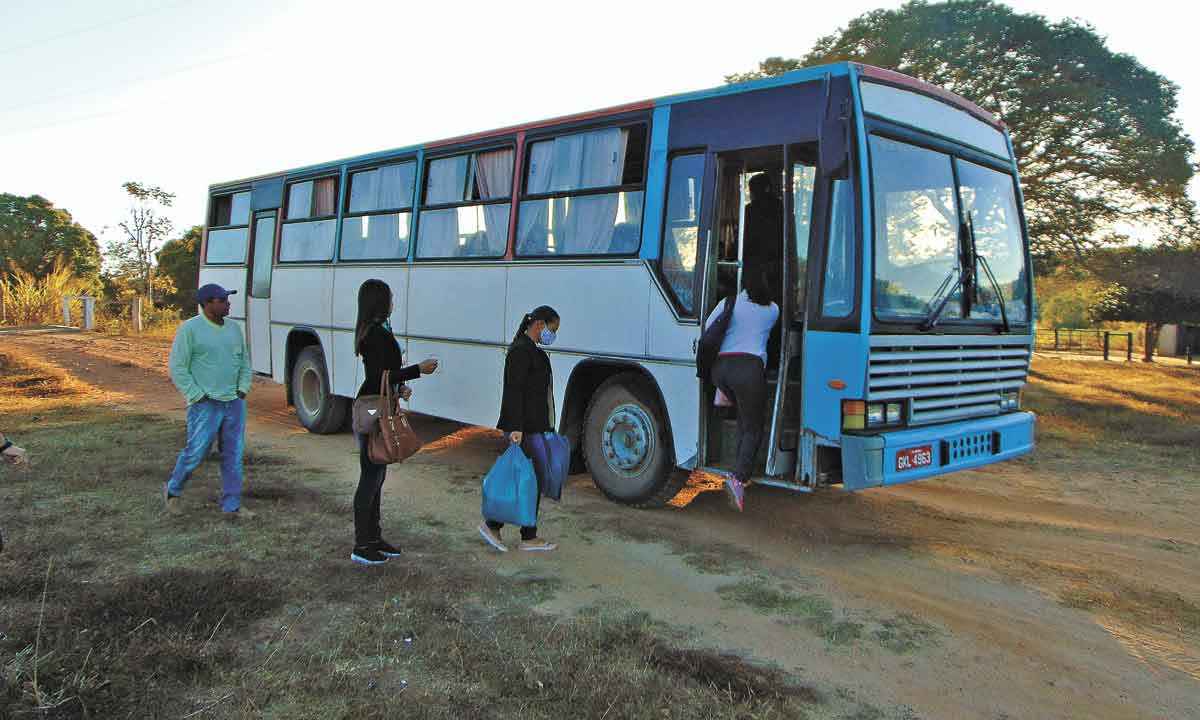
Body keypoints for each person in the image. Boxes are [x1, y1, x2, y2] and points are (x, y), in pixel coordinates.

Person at [351, 279, 438, 566]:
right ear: (380, 302)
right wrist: (417, 371)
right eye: (389, 297)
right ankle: (362, 545)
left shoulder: (378, 330)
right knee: (370, 477)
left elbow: (386, 374)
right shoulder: (374, 334)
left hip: (381, 403)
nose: (393, 302)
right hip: (373, 411)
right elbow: (378, 376)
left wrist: (399, 389)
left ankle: (374, 538)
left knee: (377, 475)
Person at [163, 283, 254, 519]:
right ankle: (173, 492)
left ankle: (232, 505)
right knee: (196, 451)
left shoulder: (234, 329)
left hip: (234, 403)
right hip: (206, 404)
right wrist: (197, 395)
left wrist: (242, 389)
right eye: (222, 300)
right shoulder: (190, 329)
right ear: (207, 304)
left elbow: (244, 362)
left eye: (227, 299)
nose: (227, 303)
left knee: (233, 455)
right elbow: (178, 367)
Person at [478, 305, 561, 553]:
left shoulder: (529, 350)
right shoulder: (521, 351)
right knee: (525, 479)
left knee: (526, 479)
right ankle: (501, 528)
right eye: (552, 329)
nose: (553, 335)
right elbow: (514, 391)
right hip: (523, 429)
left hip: (532, 427)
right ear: (539, 325)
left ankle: (522, 533)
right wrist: (515, 427)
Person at [704, 269, 779, 512]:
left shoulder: (730, 302)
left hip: (721, 369)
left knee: (742, 419)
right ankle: (737, 478)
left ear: (743, 283)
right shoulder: (773, 310)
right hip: (748, 371)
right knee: (752, 427)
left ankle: (723, 394)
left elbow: (708, 326)